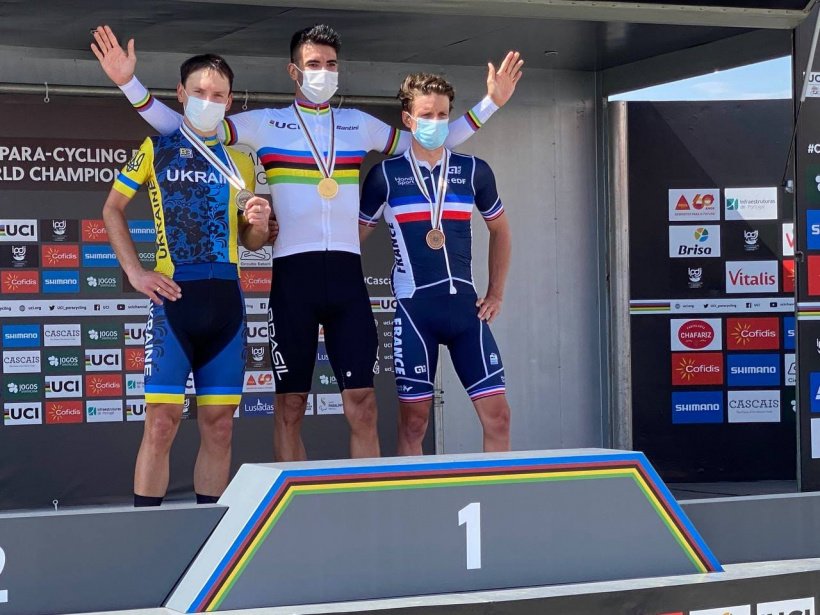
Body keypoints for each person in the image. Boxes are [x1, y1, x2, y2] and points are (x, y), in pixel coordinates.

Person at [92, 24, 523, 461]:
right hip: (293, 280)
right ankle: (294, 499)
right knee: (290, 408)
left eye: (331, 64)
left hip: (347, 281)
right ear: (293, 71)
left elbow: (428, 141)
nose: (324, 72)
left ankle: (367, 498)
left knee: (363, 405)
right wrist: (129, 84)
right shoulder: (264, 123)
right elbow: (184, 129)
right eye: (314, 64)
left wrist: (490, 104)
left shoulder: (358, 125)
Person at [102, 54, 271, 506]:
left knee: (220, 426)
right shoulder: (156, 148)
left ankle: (209, 535)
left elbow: (252, 240)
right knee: (161, 423)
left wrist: (259, 223)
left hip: (228, 303)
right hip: (174, 303)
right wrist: (135, 272)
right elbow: (112, 208)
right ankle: (146, 532)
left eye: (217, 95)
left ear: (230, 102)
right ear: (181, 94)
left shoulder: (242, 160)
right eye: (199, 92)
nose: (208, 101)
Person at [359, 73, 512, 454]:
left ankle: (497, 490)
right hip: (415, 313)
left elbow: (501, 231)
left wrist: (495, 293)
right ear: (408, 120)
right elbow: (352, 240)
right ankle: (411, 493)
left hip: (466, 311)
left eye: (443, 115)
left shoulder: (474, 170)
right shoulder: (385, 176)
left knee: (498, 416)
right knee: (414, 424)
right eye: (427, 115)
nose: (436, 123)